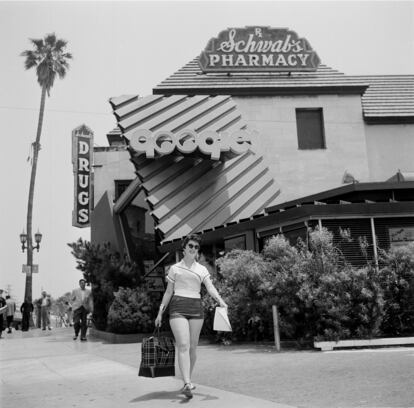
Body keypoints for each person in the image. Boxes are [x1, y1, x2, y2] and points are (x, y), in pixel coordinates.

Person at [154, 234, 228, 399]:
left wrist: (221, 301)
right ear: (184, 248)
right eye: (191, 246)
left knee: (193, 346)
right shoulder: (175, 268)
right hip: (178, 307)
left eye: (196, 247)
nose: (193, 249)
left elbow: (210, 287)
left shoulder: (201, 269)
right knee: (183, 345)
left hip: (196, 307)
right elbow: (168, 292)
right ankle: (187, 382)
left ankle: (187, 380)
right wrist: (160, 312)